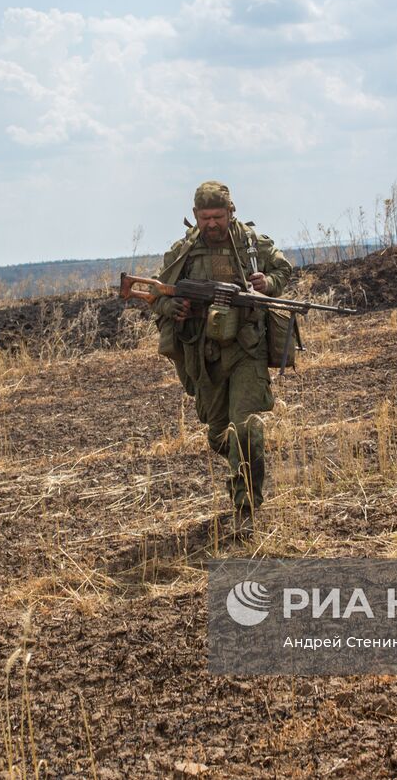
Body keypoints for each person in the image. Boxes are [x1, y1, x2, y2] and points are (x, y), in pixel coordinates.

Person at [153, 182, 293, 538]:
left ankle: (246, 505)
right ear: (195, 217)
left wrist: (268, 283)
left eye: (218, 216)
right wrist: (174, 306)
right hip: (204, 354)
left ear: (231, 212)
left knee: (244, 426)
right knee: (218, 434)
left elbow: (284, 270)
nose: (211, 224)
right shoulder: (184, 252)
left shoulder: (250, 244)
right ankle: (245, 461)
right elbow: (157, 293)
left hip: (247, 348)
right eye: (205, 218)